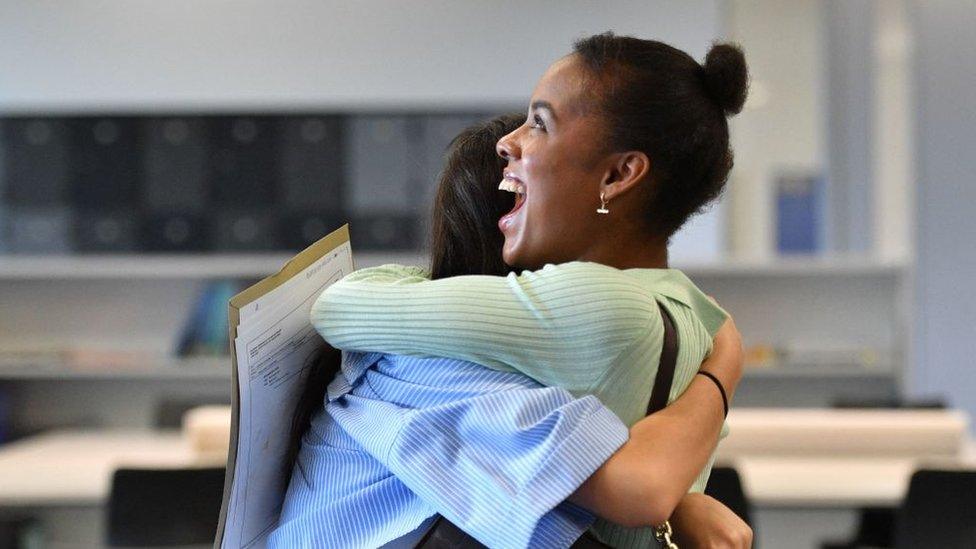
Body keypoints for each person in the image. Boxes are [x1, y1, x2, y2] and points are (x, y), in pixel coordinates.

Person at [275, 32, 751, 548]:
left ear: (618, 174)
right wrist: (723, 368)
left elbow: (341, 306)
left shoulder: (590, 304)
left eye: (540, 123)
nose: (509, 143)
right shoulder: (696, 320)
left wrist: (443, 281)